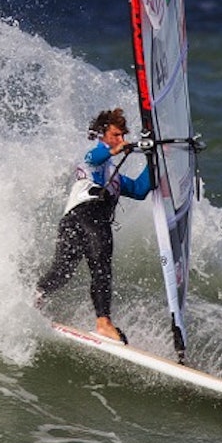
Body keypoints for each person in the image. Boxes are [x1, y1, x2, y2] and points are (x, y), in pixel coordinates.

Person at [36, 108, 152, 342]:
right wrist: (113, 150)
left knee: (64, 272)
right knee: (99, 266)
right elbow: (95, 156)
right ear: (102, 135)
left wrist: (154, 160)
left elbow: (140, 190)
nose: (121, 139)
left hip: (73, 223)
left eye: (123, 135)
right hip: (87, 215)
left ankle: (34, 298)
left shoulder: (115, 178)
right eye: (116, 135)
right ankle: (103, 323)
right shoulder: (91, 160)